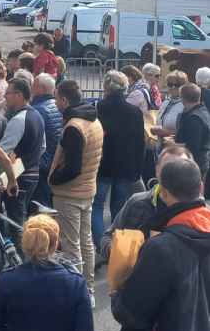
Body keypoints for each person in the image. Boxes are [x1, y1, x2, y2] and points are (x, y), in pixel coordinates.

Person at [110, 158, 210, 331]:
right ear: (200, 187)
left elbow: (131, 313)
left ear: (163, 191)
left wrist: (118, 295)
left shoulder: (161, 247)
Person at [48, 81, 103, 308]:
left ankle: (78, 294)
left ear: (63, 99)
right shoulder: (94, 119)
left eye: (56, 98)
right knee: (86, 243)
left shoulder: (73, 126)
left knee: (71, 247)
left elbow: (73, 167)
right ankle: (88, 290)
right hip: (87, 189)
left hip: (70, 193)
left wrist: (52, 179)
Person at [99, 146, 193, 262]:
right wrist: (112, 248)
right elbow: (107, 237)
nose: (173, 177)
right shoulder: (136, 203)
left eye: (180, 170)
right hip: (135, 278)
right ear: (157, 171)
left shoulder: (203, 216)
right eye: (167, 170)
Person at [91, 71, 145, 253]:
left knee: (96, 206)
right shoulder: (135, 111)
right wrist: (137, 171)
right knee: (119, 209)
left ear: (106, 87)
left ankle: (103, 246)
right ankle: (118, 248)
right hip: (125, 167)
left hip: (103, 165)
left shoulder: (98, 107)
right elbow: (140, 143)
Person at [0, 78, 45, 251]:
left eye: (8, 93)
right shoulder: (36, 115)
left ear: (19, 95)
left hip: (17, 176)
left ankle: (21, 262)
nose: (5, 97)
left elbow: (1, 151)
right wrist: (29, 161)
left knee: (15, 224)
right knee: (19, 219)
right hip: (32, 174)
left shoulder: (18, 119)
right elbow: (42, 146)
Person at [166, 83, 210, 180]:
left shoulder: (194, 117)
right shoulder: (203, 111)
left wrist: (174, 144)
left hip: (194, 163)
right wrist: (177, 137)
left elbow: (194, 145)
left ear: (183, 99)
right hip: (200, 161)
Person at [31, 73, 63, 207]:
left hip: (42, 164)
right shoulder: (59, 106)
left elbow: (33, 141)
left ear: (43, 89)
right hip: (56, 163)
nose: (31, 88)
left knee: (41, 207)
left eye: (33, 86)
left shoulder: (38, 110)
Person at [151, 71, 187, 154]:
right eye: (170, 84)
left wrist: (167, 132)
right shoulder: (166, 102)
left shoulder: (185, 104)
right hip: (161, 147)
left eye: (177, 85)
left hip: (177, 150)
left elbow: (188, 131)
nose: (173, 87)